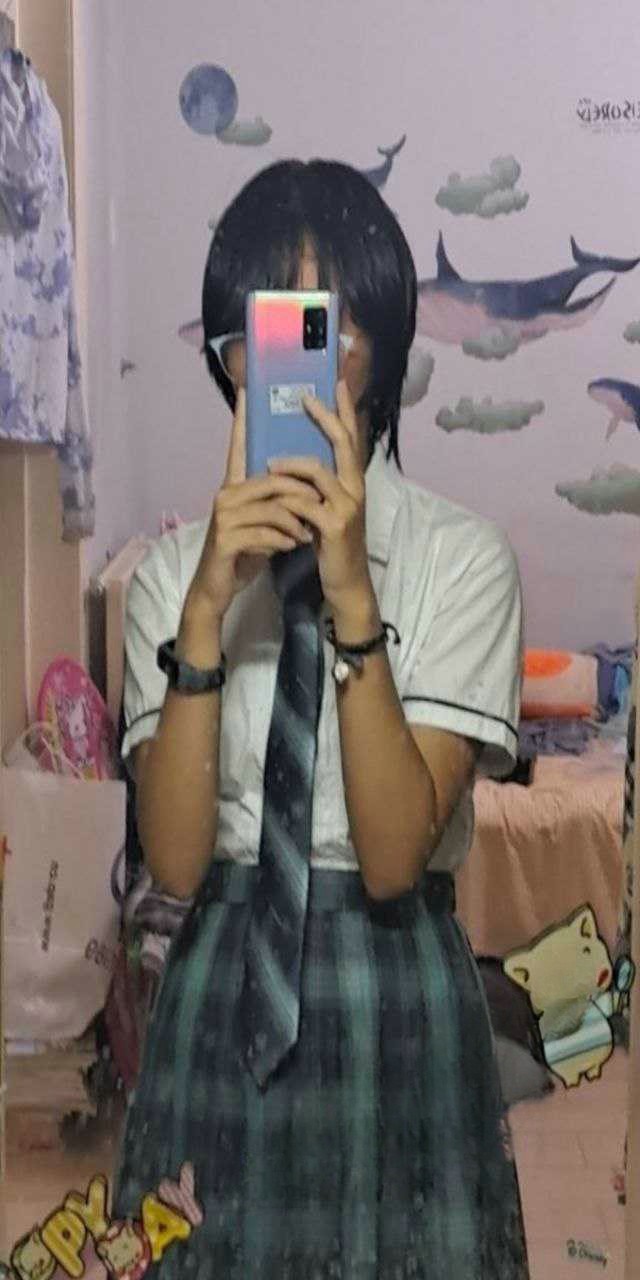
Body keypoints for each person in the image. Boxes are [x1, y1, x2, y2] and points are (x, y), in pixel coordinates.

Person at [112, 159, 529, 1278]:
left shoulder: (460, 561)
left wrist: (352, 600)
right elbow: (176, 862)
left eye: (331, 326)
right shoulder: (167, 580)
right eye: (276, 328)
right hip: (220, 987)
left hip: (394, 992)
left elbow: (393, 857)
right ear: (231, 357)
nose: (306, 363)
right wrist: (207, 610)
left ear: (380, 350)